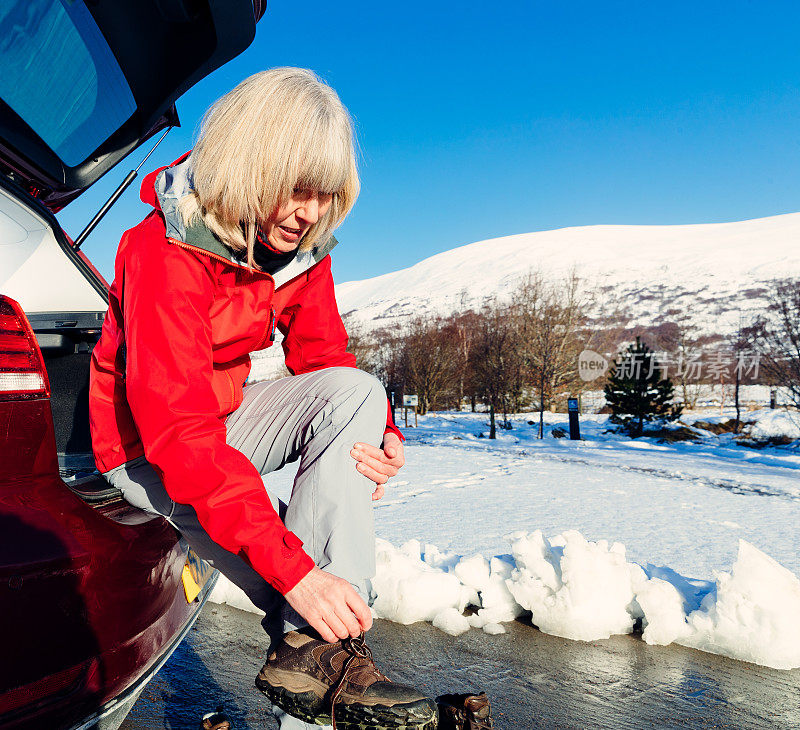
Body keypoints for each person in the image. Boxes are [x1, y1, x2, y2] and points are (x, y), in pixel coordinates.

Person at [89, 68, 438, 730]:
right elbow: (178, 433)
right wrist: (297, 571)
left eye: (325, 195)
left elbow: (327, 358)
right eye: (297, 190)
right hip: (143, 445)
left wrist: (381, 438)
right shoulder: (163, 251)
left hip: (222, 420)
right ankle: (321, 651)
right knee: (293, 581)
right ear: (250, 167)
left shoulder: (300, 250)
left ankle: (316, 650)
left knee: (356, 392)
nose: (311, 212)